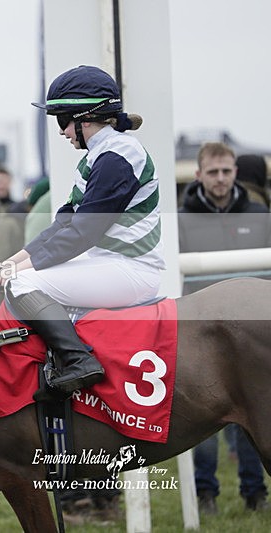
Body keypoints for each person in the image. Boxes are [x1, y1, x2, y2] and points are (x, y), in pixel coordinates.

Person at [0, 65, 164, 395]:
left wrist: (19, 270)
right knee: (17, 275)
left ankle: (80, 362)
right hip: (111, 264)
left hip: (131, 270)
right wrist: (11, 260)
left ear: (84, 118)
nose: (61, 132)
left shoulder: (117, 156)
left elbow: (82, 234)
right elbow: (63, 226)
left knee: (22, 283)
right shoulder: (98, 157)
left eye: (62, 121)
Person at [178, 142, 271, 514]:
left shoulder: (260, 213)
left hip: (254, 333)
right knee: (204, 423)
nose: (221, 178)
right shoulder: (182, 219)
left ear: (236, 171)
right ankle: (205, 495)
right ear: (199, 174)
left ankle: (255, 493)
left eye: (227, 171)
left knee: (258, 418)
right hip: (204, 338)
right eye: (213, 172)